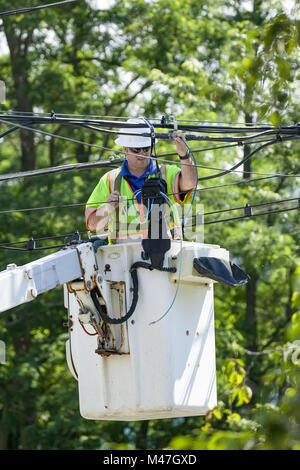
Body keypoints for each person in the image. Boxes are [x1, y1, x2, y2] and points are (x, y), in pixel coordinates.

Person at [85, 118, 197, 242]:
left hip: (161, 254)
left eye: (146, 148)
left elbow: (190, 182)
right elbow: (92, 225)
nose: (142, 153)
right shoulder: (109, 180)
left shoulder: (165, 173)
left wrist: (184, 155)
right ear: (125, 149)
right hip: (121, 256)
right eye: (136, 149)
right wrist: (107, 208)